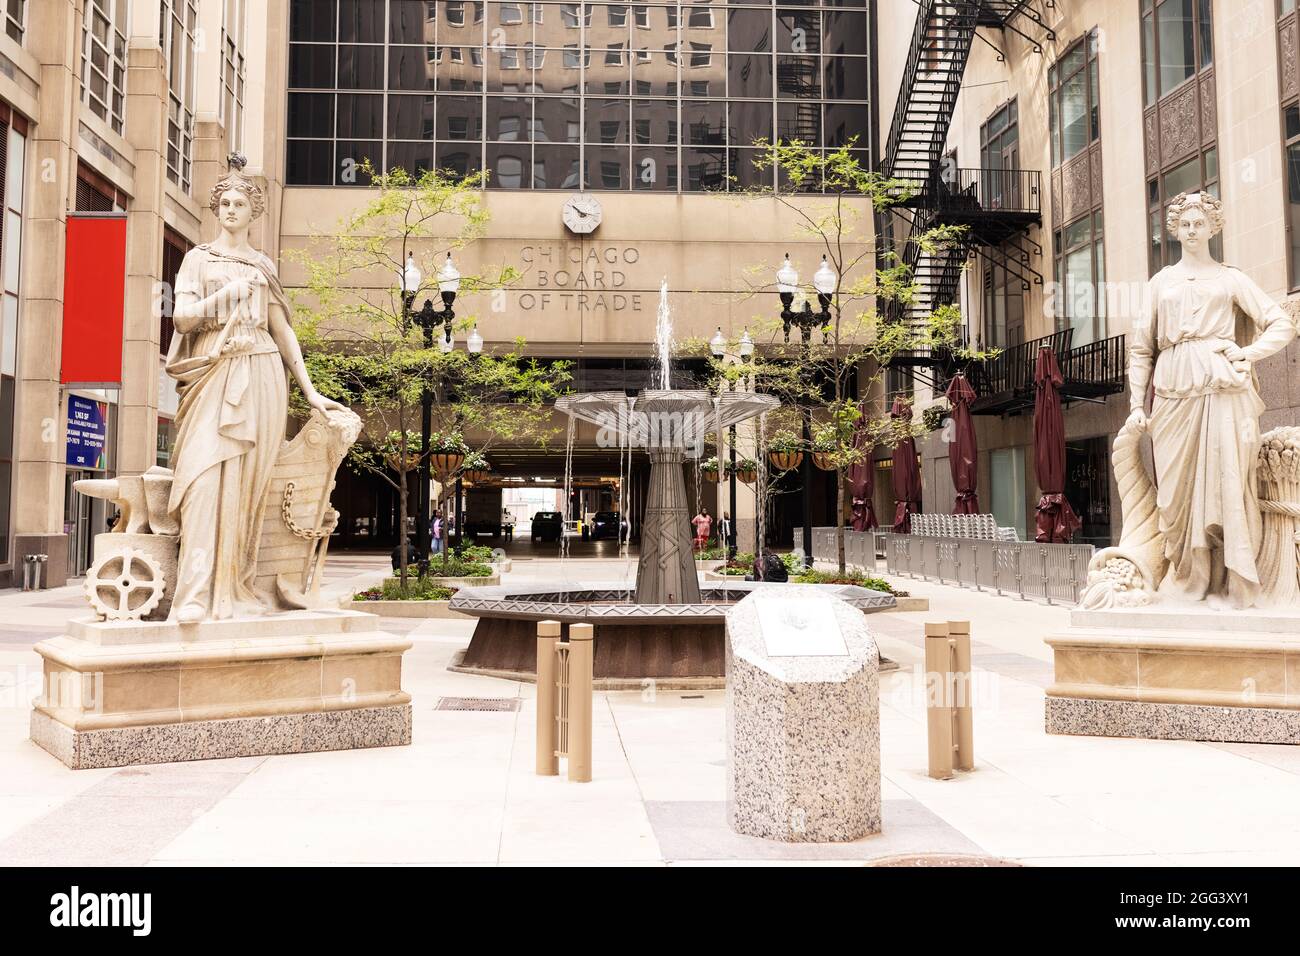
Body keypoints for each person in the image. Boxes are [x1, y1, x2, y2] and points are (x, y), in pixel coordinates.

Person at [165, 155, 347, 622]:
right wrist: (229, 293)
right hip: (214, 371)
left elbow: (282, 331)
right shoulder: (198, 259)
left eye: (238, 203)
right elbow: (183, 317)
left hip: (262, 373)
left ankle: (235, 588)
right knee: (203, 478)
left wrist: (309, 391)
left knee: (248, 488)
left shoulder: (263, 264)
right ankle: (195, 594)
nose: (229, 209)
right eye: (223, 202)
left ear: (252, 212)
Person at [1127, 191, 1298, 607]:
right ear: (1173, 230)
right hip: (1171, 391)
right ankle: (1187, 580)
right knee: (1175, 496)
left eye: (1199, 223)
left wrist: (1247, 353)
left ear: (1212, 227)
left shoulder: (1230, 278)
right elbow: (1141, 348)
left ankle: (1233, 584)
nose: (1191, 230)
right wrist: (1136, 404)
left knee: (1227, 485)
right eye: (1184, 223)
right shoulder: (1161, 282)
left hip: (1223, 388)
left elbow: (1281, 323)